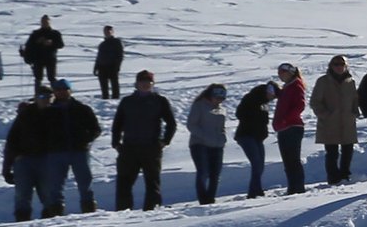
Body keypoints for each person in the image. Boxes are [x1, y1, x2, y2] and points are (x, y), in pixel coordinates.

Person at [111, 69, 177, 211]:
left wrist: (164, 141)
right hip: (129, 148)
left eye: (149, 82)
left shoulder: (160, 101)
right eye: (142, 82)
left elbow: (171, 123)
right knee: (124, 182)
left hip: (151, 148)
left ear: (153, 84)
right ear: (136, 84)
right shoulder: (127, 101)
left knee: (152, 182)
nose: (145, 85)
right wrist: (116, 143)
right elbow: (117, 124)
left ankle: (152, 211)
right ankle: (123, 212)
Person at [41, 79, 101, 217]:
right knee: (55, 185)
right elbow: (40, 131)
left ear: (70, 91)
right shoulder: (48, 111)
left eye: (64, 89)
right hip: (56, 152)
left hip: (79, 151)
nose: (61, 92)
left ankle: (89, 211)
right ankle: (56, 213)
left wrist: (86, 139)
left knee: (85, 183)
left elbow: (95, 129)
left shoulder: (82, 109)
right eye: (58, 90)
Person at [310, 55, 359, 185]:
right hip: (329, 124)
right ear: (331, 66)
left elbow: (355, 99)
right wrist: (325, 115)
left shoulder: (350, 82)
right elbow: (315, 101)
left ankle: (345, 175)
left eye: (341, 64)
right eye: (336, 64)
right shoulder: (323, 81)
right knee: (332, 153)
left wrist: (354, 111)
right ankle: (333, 178)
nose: (339, 67)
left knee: (348, 150)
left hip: (347, 122)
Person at [3, 89, 51, 221]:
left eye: (48, 96)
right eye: (42, 96)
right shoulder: (25, 115)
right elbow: (11, 141)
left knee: (48, 195)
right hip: (24, 160)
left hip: (47, 161)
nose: (45, 99)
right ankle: (22, 222)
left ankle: (51, 223)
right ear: (35, 98)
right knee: (22, 196)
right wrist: (7, 168)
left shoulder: (55, 114)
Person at [185, 83, 229, 205]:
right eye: (217, 97)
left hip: (217, 145)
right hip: (199, 144)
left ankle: (211, 198)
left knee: (215, 173)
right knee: (203, 171)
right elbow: (191, 125)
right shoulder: (199, 105)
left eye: (222, 98)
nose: (218, 100)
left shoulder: (222, 109)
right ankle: (203, 199)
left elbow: (221, 127)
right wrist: (205, 137)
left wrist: (222, 139)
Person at [234, 81, 275, 197]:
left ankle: (257, 189)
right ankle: (253, 192)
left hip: (258, 137)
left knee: (260, 164)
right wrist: (254, 120)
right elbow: (240, 114)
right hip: (246, 135)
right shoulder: (252, 98)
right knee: (256, 163)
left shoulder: (265, 104)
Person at [272, 63, 308, 194]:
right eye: (279, 72)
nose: (281, 75)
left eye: (283, 72)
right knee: (288, 161)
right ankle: (293, 187)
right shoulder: (287, 88)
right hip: (284, 128)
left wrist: (286, 119)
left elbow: (300, 105)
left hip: (292, 127)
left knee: (293, 160)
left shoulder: (296, 85)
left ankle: (297, 188)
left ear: (291, 72)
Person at [22, 14, 64, 93]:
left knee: (52, 78)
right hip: (38, 59)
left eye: (46, 21)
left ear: (49, 22)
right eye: (43, 22)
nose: (44, 23)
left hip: (50, 58)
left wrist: (51, 43)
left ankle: (56, 95)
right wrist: (37, 43)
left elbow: (61, 45)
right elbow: (29, 46)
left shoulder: (55, 33)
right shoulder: (35, 34)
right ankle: (37, 96)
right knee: (38, 78)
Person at [94, 25, 126, 100]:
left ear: (112, 32)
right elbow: (99, 57)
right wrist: (96, 67)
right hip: (102, 67)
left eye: (109, 31)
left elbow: (120, 55)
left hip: (112, 66)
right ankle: (105, 100)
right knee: (104, 87)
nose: (107, 33)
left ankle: (115, 100)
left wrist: (117, 66)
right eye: (105, 31)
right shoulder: (102, 44)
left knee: (114, 85)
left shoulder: (116, 42)